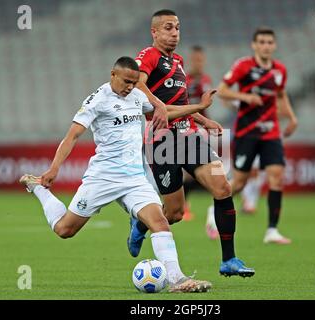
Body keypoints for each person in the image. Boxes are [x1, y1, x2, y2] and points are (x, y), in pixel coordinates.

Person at [18, 56, 215, 293]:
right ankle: (37, 188)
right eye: (126, 81)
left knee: (160, 221)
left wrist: (199, 113)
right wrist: (54, 168)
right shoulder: (97, 100)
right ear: (113, 75)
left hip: (134, 179)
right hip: (103, 177)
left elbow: (166, 112)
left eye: (134, 82)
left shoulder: (137, 96)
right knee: (65, 230)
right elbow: (72, 136)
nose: (131, 86)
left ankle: (177, 279)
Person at [128, 9, 254, 277]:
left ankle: (228, 260)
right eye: (168, 28)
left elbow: (181, 104)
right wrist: (159, 106)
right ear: (155, 32)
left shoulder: (179, 61)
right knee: (173, 214)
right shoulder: (147, 56)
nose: (174, 33)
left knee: (222, 187)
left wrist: (202, 120)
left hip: (188, 135)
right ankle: (140, 225)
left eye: (177, 28)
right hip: (161, 140)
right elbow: (137, 86)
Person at [215, 27, 298, 245]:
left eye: (269, 42)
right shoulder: (244, 66)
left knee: (276, 177)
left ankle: (272, 230)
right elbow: (221, 90)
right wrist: (245, 96)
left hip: (271, 132)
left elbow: (281, 94)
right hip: (247, 132)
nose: (266, 46)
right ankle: (215, 207)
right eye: (261, 42)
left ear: (274, 45)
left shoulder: (279, 70)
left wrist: (292, 118)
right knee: (240, 182)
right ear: (254, 45)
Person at [182, 45, 214, 221]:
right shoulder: (184, 80)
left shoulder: (206, 80)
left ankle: (186, 204)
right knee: (187, 171)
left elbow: (206, 108)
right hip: (184, 127)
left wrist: (207, 125)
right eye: (196, 60)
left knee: (200, 170)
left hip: (200, 128)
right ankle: (184, 205)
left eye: (201, 60)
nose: (199, 63)